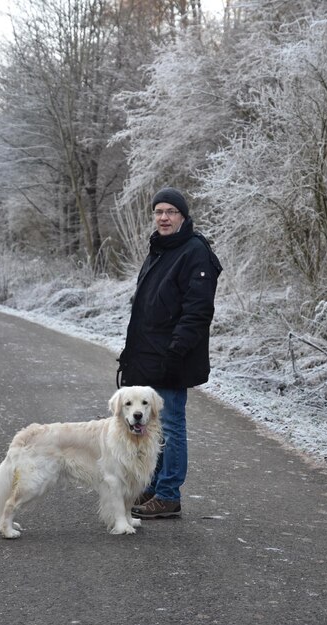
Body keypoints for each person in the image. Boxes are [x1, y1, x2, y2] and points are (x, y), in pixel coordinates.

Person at [117, 187, 222, 519]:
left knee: (172, 424)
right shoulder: (160, 249)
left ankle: (168, 494)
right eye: (159, 212)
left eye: (170, 212)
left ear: (183, 216)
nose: (163, 217)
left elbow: (198, 309)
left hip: (174, 356)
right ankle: (153, 487)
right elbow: (146, 308)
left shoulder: (195, 252)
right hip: (149, 355)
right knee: (153, 425)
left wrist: (176, 351)